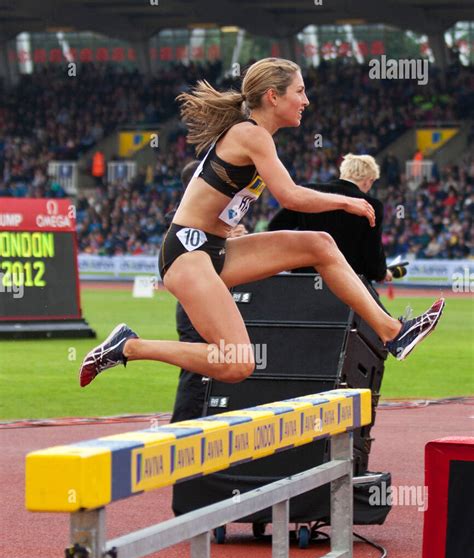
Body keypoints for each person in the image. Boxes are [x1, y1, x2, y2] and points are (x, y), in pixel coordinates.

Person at [79, 57, 444, 389]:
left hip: (215, 249)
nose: (306, 100)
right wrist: (348, 200)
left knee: (319, 244)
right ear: (273, 96)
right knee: (238, 364)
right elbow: (290, 196)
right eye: (300, 91)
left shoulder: (256, 137)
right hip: (187, 253)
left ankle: (393, 332)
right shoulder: (251, 134)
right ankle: (129, 346)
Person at [171, 160, 248, 422]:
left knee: (223, 365)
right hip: (197, 301)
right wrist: (229, 240)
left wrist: (233, 239)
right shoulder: (190, 216)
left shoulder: (214, 214)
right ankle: (180, 430)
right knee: (197, 371)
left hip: (213, 298)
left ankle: (203, 426)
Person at [268, 153, 391, 283]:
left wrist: (291, 261)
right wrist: (380, 273)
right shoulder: (371, 206)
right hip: (349, 284)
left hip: (305, 281)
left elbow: (276, 227)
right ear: (369, 180)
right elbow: (372, 252)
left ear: (344, 172)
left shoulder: (308, 192)